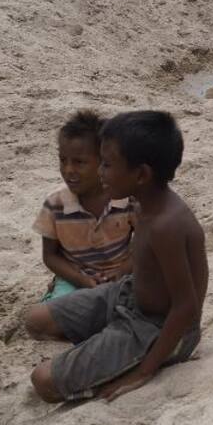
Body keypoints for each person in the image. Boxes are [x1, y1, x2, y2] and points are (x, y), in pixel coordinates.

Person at [23, 111, 209, 402]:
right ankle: (107, 349)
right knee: (34, 320)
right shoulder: (141, 205)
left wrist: (144, 371)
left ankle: (122, 360)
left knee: (43, 381)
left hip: (154, 329)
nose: (100, 173)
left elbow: (186, 307)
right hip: (128, 297)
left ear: (141, 175)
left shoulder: (167, 225)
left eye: (107, 165)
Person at [33, 110, 134, 302]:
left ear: (104, 161)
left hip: (123, 274)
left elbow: (144, 243)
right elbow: (50, 256)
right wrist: (80, 279)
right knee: (51, 316)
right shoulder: (55, 205)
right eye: (63, 160)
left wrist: (122, 271)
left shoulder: (127, 200)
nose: (68, 170)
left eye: (79, 162)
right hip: (74, 277)